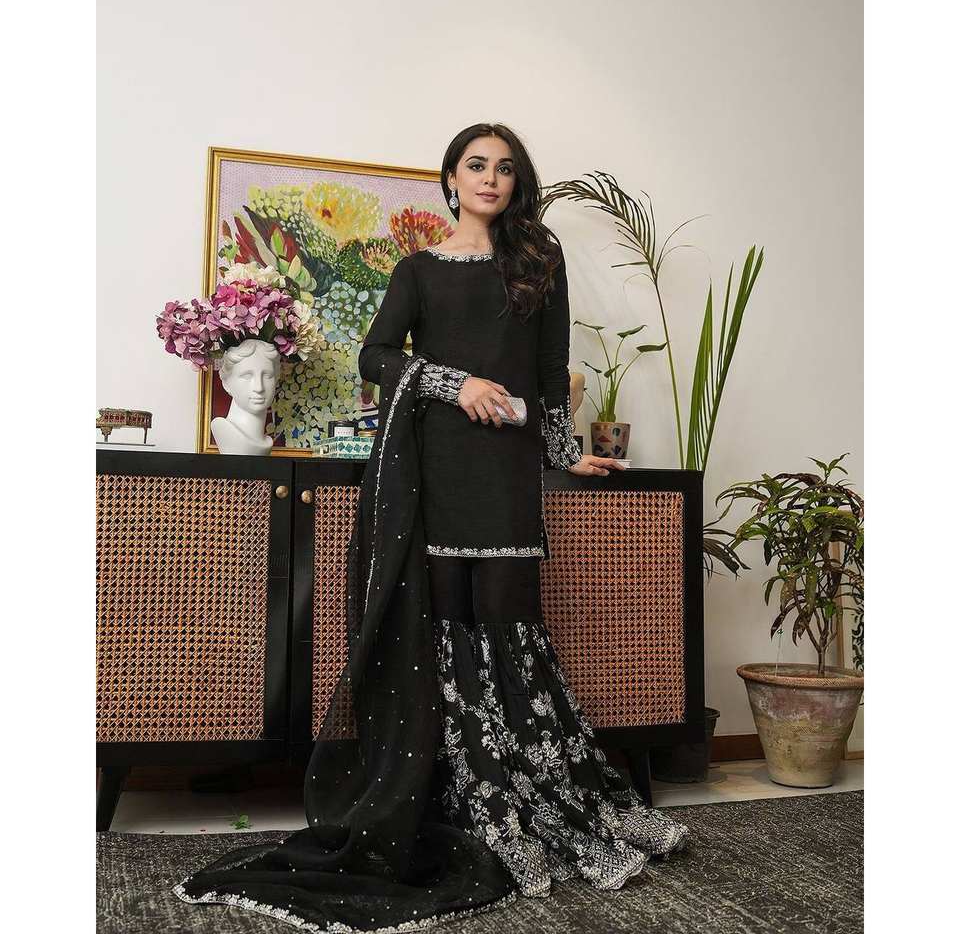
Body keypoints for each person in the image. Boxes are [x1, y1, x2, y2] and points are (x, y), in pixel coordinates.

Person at [172, 122, 689, 932]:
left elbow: (548, 372)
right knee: (444, 630)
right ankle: (462, 799)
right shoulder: (417, 270)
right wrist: (454, 383)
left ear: (516, 183)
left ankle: (528, 798)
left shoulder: (538, 260)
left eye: (505, 168)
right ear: (451, 179)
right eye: (476, 165)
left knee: (510, 623)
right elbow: (375, 355)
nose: (490, 178)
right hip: (436, 472)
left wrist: (565, 455)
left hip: (507, 475)